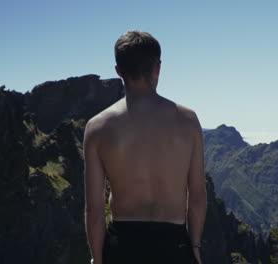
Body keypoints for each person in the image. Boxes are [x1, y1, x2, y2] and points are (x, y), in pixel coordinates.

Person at [84, 30, 207, 264]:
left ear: (119, 71)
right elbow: (198, 195)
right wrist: (195, 245)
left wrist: (97, 259)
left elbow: (94, 207)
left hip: (123, 246)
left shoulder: (97, 128)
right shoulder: (188, 121)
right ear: (157, 68)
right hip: (174, 245)